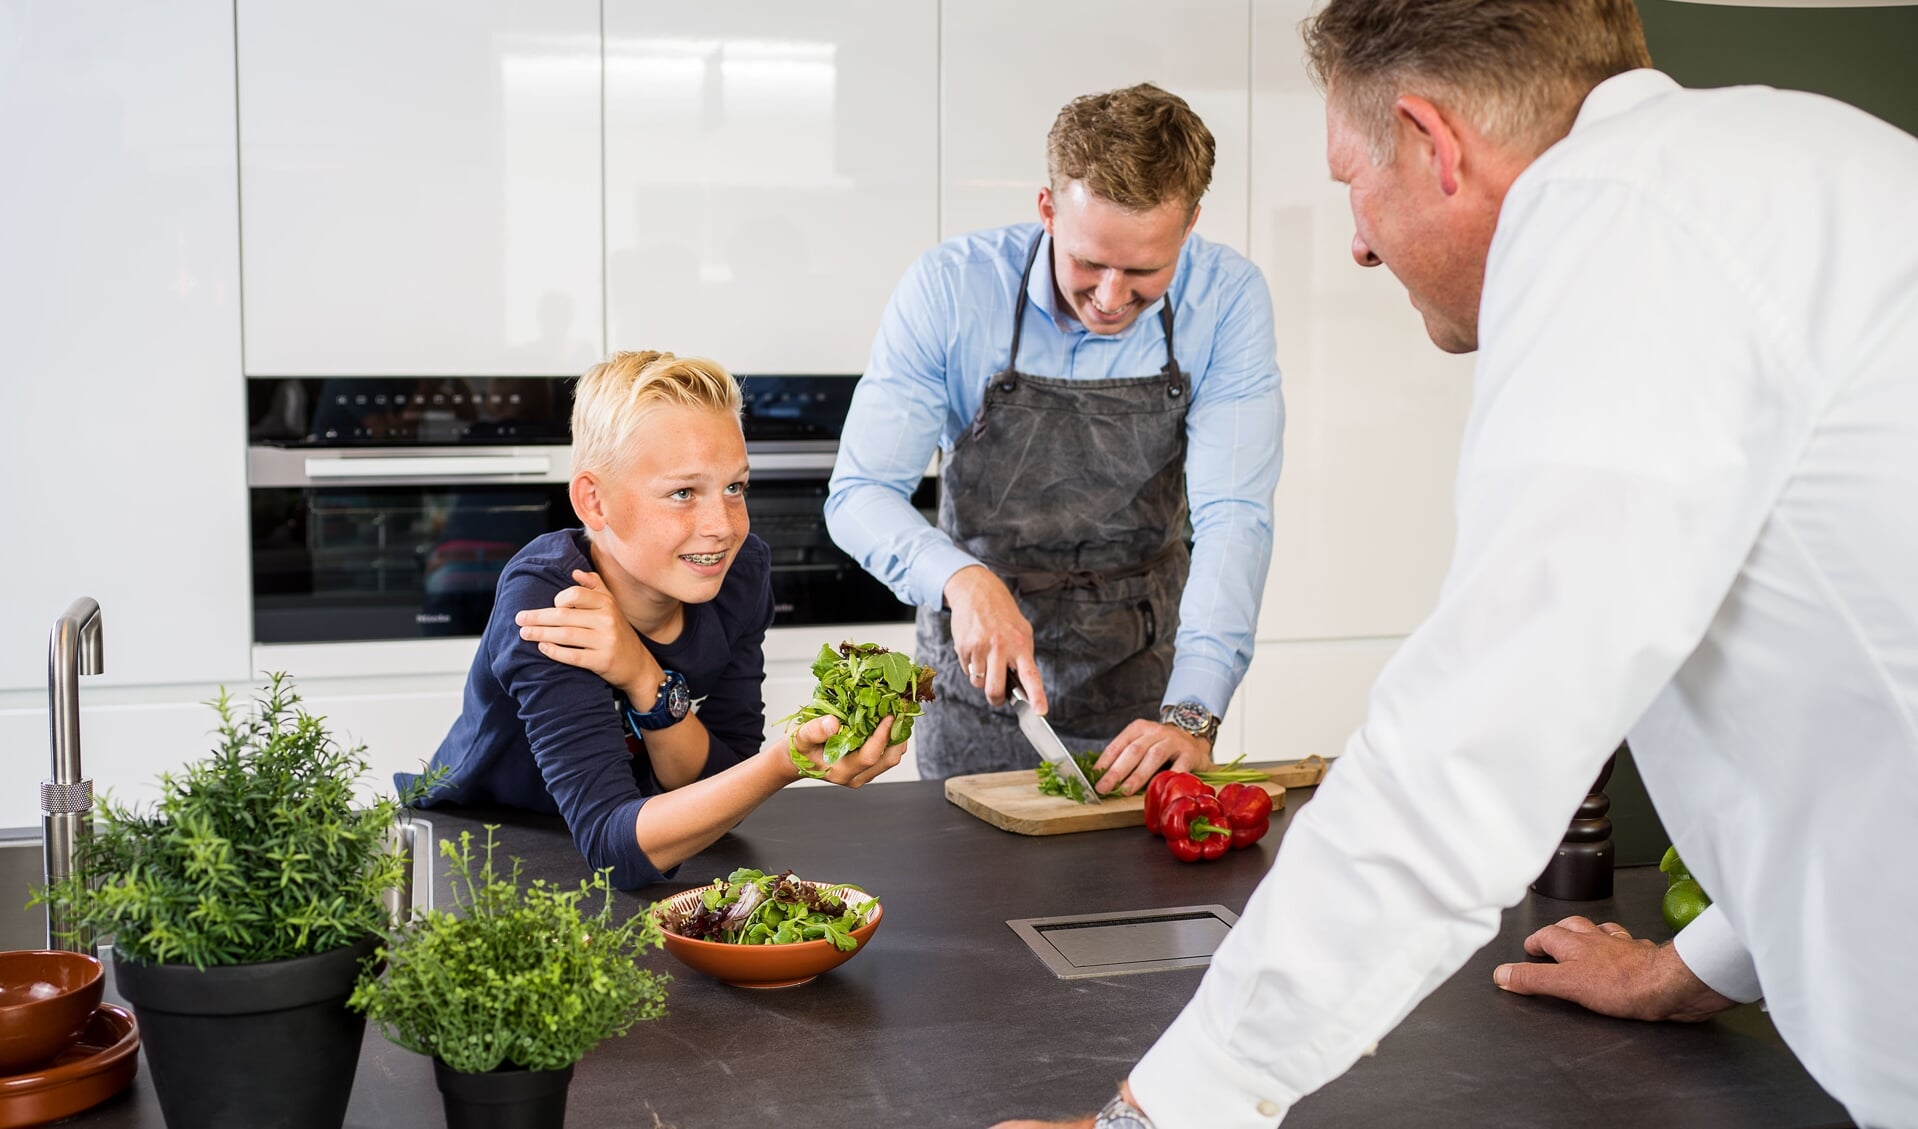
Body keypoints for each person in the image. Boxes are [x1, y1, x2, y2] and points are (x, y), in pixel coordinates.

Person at [993, 1, 1918, 1127]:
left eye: (1350, 182)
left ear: (1434, 143)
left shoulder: (1614, 224)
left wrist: (1154, 1118)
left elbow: (1462, 763)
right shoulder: (1804, 161)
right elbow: (1853, 706)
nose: (1359, 241)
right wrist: (1700, 966)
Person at [826, 83, 1284, 792]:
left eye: (1142, 271)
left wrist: (1194, 714)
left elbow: (1234, 517)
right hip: (979, 690)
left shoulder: (1227, 300)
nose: (1109, 297)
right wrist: (961, 578)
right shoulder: (950, 290)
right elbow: (860, 493)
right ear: (1046, 209)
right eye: (1088, 261)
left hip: (1143, 690)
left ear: (1191, 223)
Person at [400, 351, 906, 889]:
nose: (722, 527)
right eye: (683, 493)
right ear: (594, 503)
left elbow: (719, 785)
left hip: (652, 841)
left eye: (735, 487)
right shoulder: (552, 603)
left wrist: (644, 677)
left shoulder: (740, 573)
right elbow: (612, 848)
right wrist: (787, 763)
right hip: (484, 851)